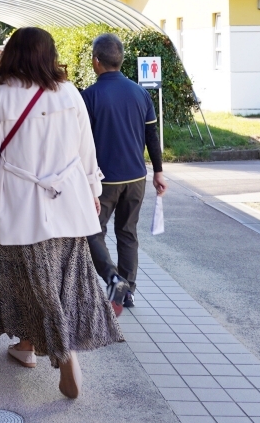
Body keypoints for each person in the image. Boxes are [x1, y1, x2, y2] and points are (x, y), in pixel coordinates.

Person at [0, 27, 122, 400]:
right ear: (50, 55)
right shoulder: (68, 92)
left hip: (18, 208)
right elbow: (86, 149)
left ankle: (59, 351)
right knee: (61, 280)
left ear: (13, 54)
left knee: (24, 282)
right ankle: (29, 345)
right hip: (68, 203)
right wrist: (92, 191)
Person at [81, 33, 167, 316]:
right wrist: (159, 171)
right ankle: (127, 291)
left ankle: (114, 280)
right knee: (127, 233)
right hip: (136, 177)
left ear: (96, 61)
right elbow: (151, 135)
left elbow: (79, 142)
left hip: (104, 181)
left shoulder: (89, 97)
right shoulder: (140, 93)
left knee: (94, 231)